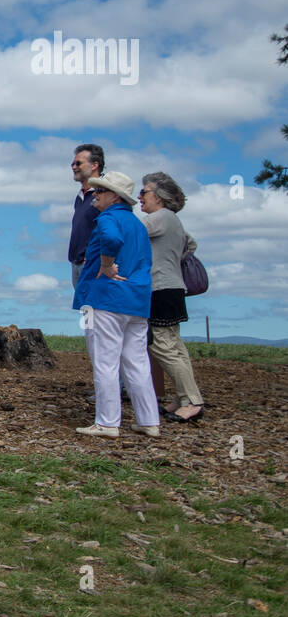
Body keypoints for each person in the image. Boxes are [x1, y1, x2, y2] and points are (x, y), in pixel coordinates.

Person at [72, 171, 160, 438]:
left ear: (114, 196)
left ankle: (108, 422)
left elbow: (111, 240)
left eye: (100, 191)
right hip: (136, 300)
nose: (95, 195)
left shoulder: (108, 217)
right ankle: (149, 420)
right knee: (137, 362)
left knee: (105, 362)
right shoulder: (137, 223)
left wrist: (107, 264)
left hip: (106, 298)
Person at [138, 172, 205, 421]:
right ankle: (184, 397)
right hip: (173, 287)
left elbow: (131, 230)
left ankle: (193, 400)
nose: (139, 197)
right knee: (175, 346)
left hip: (160, 288)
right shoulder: (174, 220)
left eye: (144, 192)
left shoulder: (160, 218)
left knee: (161, 346)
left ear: (160, 196)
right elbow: (192, 244)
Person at [69, 144, 105, 289]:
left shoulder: (105, 194)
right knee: (85, 310)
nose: (74, 167)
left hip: (93, 263)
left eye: (78, 163)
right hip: (76, 263)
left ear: (95, 165)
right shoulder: (80, 197)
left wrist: (96, 256)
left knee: (95, 309)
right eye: (72, 164)